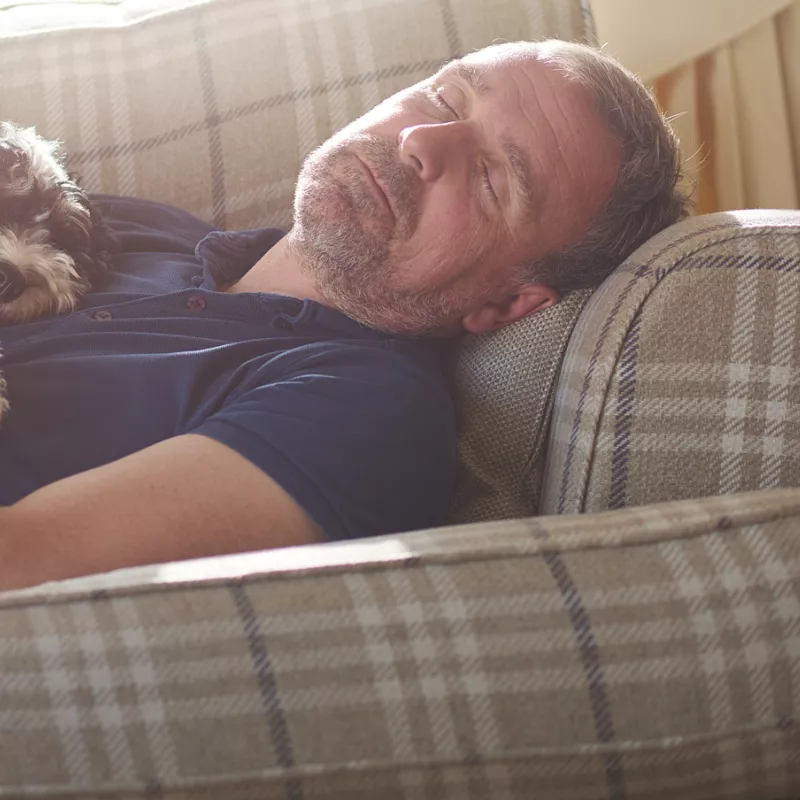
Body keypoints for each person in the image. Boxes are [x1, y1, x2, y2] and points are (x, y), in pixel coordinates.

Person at [0, 39, 689, 590]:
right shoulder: (140, 230)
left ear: (508, 301)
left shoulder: (363, 414)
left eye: (490, 177)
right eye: (446, 96)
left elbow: (21, 567)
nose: (422, 138)